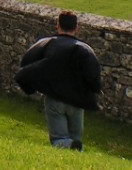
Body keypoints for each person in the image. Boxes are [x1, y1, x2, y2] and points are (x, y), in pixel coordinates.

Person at [15, 10, 102, 151]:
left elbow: (27, 63)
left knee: (58, 139)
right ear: (76, 28)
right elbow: (93, 76)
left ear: (58, 25)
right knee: (76, 139)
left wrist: (31, 88)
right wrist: (93, 92)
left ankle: (68, 145)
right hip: (77, 102)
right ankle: (75, 148)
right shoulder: (85, 49)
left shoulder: (47, 43)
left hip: (54, 99)